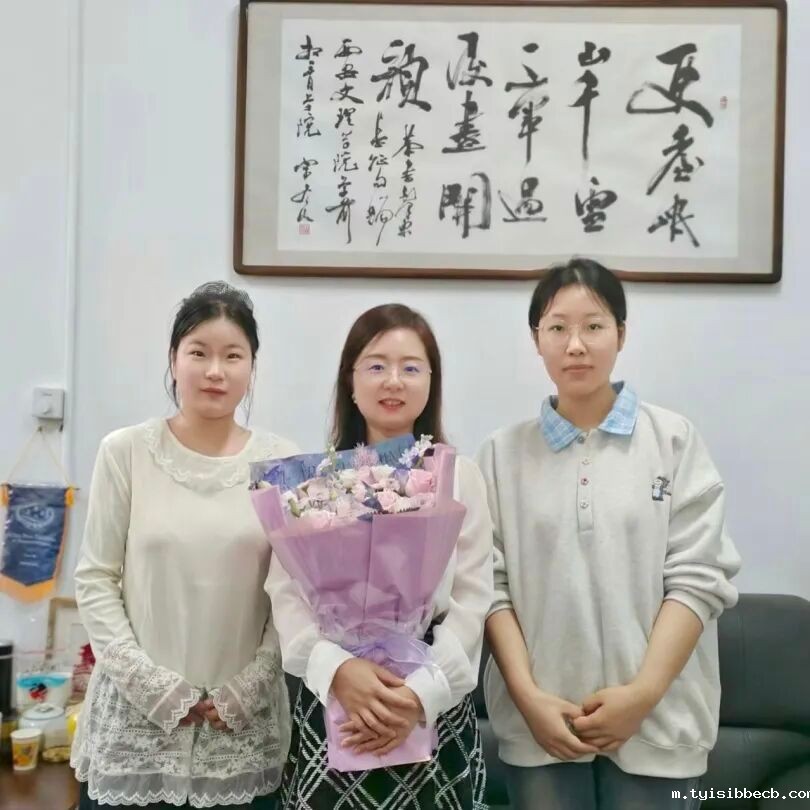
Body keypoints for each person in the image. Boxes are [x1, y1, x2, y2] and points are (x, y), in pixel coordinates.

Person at [477, 258, 741, 810]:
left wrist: (642, 695)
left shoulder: (673, 440)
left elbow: (698, 577)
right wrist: (528, 699)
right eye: (557, 328)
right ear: (537, 339)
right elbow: (490, 587)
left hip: (660, 720)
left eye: (594, 326)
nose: (576, 345)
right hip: (543, 726)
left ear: (621, 334)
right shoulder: (502, 455)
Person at [72, 282, 298, 808]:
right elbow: (95, 578)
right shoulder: (125, 451)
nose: (215, 370)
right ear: (174, 360)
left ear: (252, 367)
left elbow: (292, 594)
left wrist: (251, 686)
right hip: (135, 730)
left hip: (238, 729)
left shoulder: (281, 463)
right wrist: (150, 686)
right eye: (199, 353)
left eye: (233, 356)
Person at [267, 303, 493, 810]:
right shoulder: (311, 481)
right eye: (376, 365)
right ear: (350, 382)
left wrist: (418, 695)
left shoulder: (460, 477)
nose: (393, 381)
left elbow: (474, 599)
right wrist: (337, 671)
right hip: (337, 697)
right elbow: (285, 594)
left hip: (431, 701)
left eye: (411, 367)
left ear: (431, 382)